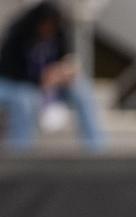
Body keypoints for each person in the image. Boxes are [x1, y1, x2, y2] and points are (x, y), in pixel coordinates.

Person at [0, 1, 104, 152]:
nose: (48, 29)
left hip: (50, 85)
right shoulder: (18, 34)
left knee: (81, 90)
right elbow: (12, 71)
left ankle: (96, 147)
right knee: (25, 99)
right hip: (16, 84)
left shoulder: (59, 33)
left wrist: (65, 72)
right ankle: (20, 150)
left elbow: (63, 59)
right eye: (45, 25)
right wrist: (41, 79)